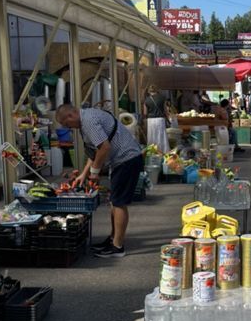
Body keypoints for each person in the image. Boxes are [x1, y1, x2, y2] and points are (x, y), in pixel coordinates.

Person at [55, 103, 144, 259]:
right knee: (114, 202)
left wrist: (95, 172)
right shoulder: (86, 119)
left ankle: (118, 247)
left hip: (126, 159)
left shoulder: (88, 120)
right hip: (122, 161)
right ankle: (113, 239)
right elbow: (95, 151)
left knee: (119, 203)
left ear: (71, 115)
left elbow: (104, 147)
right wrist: (84, 173)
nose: (70, 127)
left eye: (67, 124)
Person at [143, 85, 171, 154]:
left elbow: (145, 113)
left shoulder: (146, 100)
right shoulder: (162, 98)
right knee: (161, 137)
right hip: (160, 119)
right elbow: (165, 110)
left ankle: (152, 151)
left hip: (151, 121)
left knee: (152, 136)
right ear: (157, 90)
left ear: (149, 91)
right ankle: (163, 152)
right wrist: (168, 119)